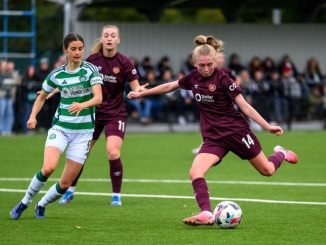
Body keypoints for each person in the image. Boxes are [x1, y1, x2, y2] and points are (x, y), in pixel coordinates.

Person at [128, 34, 298, 226]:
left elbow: (244, 106)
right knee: (195, 172)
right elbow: (170, 86)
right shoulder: (193, 78)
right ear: (194, 64)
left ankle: (281, 154)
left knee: (267, 170)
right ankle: (206, 213)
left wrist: (267, 126)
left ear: (215, 61)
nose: (207, 68)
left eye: (210, 64)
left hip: (236, 132)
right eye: (202, 65)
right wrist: (143, 93)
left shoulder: (224, 79)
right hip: (214, 138)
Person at [10, 33, 103, 219]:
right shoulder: (57, 74)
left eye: (80, 48)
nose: (77, 52)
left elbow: (98, 98)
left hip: (84, 134)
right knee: (48, 168)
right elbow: (42, 96)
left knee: (66, 183)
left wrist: (83, 105)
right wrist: (32, 116)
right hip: (61, 128)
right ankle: (24, 202)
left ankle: (42, 204)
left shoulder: (90, 70)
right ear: (65, 51)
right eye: (73, 49)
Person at [59, 25, 147, 206]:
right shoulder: (92, 60)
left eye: (113, 35)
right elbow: (73, 77)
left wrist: (138, 91)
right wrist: (53, 90)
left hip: (116, 114)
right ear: (102, 38)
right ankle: (70, 190)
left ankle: (116, 195)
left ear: (118, 40)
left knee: (113, 153)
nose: (109, 38)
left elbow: (135, 86)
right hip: (92, 113)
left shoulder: (124, 62)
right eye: (106, 35)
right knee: (81, 154)